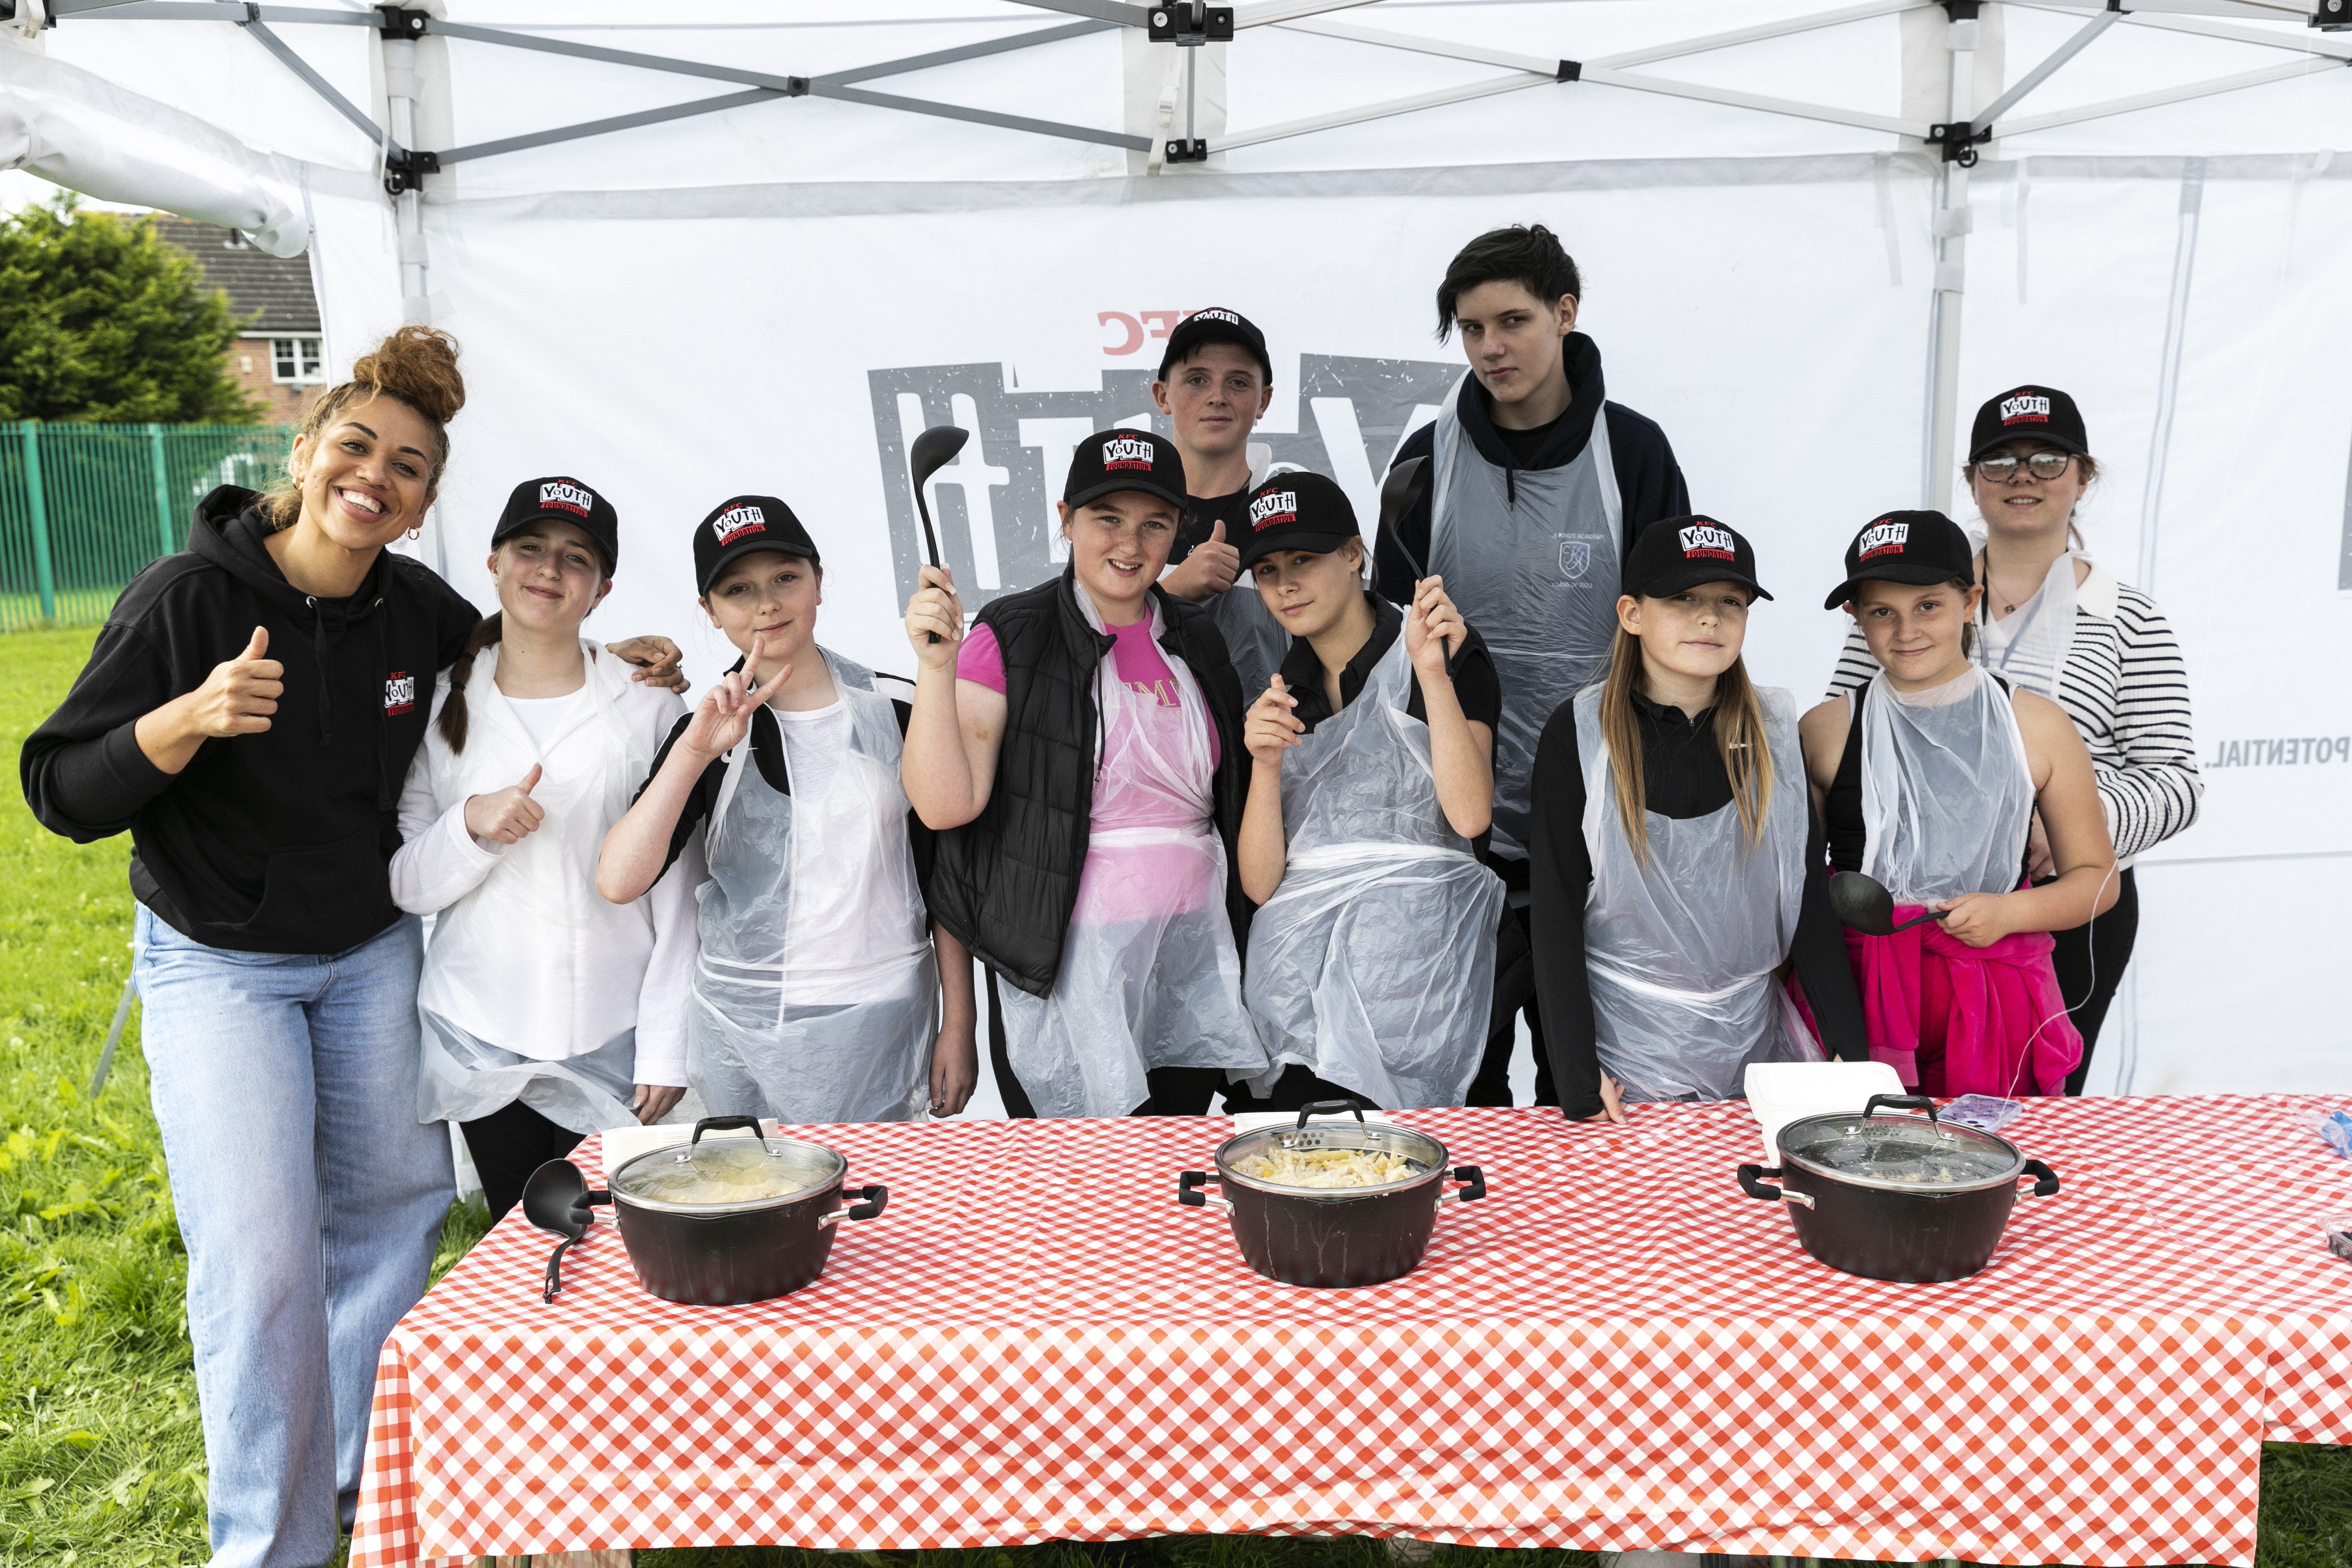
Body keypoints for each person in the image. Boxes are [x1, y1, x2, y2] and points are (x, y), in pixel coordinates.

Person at [15, 327, 685, 1568]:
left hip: (370, 955)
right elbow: (56, 789)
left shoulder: (417, 612)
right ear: (307, 448)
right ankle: (269, 1546)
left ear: (430, 502)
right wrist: (183, 720)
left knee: (393, 1213)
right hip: (219, 967)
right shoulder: (191, 599)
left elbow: (525, 653)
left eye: (412, 466)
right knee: (262, 1262)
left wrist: (633, 662)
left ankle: (354, 1484)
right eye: (359, 446)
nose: (377, 476)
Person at [1375, 223, 1693, 1110]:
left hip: (1597, 822)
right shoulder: (1426, 459)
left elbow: (1680, 641)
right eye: (1472, 330)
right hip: (1454, 829)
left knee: (1587, 1094)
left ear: (1566, 313)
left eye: (1512, 321)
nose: (1491, 348)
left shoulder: (1634, 452)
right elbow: (1384, 654)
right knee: (1456, 1088)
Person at [1824, 386, 2201, 1094]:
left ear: (2084, 477)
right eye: (1999, 463)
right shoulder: (1911, 586)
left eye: (2047, 459)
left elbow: (2177, 780)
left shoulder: (2131, 618)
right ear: (1972, 481)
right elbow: (1851, 728)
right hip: (1907, 917)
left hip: (2057, 900)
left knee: (2028, 1111)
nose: (2022, 475)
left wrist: (2065, 820)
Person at [902, 427, 1265, 1118]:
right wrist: (936, 667)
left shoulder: (1198, 638)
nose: (1130, 546)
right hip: (1063, 972)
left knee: (1174, 1173)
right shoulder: (1010, 634)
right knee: (1078, 1191)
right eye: (1107, 520)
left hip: (1186, 961)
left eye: (1154, 524)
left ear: (1177, 532)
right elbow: (945, 808)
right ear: (1065, 519)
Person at [598, 495, 978, 1126]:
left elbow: (946, 874)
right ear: (709, 612)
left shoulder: (898, 706)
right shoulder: (711, 729)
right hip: (743, 1032)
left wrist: (958, 1025)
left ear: (819, 582)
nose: (767, 603)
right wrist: (694, 750)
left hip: (883, 1018)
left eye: (785, 578)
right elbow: (619, 878)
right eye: (739, 589)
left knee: (875, 1216)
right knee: (762, 1209)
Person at [389, 477, 692, 1223]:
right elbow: (405, 882)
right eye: (530, 548)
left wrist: (663, 1046)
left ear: (604, 587)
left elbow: (682, 892)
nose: (549, 570)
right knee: (520, 1252)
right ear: (494, 563)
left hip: (614, 1037)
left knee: (627, 1252)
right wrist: (472, 826)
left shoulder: (650, 702)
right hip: (482, 1035)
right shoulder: (437, 707)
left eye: (576, 558)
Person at [1528, 518, 1866, 1122]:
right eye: (1684, 599)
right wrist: (1577, 1072)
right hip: (1619, 1061)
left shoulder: (1773, 735)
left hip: (1755, 1057)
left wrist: (1849, 1053)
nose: (1709, 618)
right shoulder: (1580, 736)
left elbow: (1808, 902)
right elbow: (1554, 914)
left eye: (1729, 602)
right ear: (1632, 613)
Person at [1801, 510, 2119, 1099]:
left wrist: (2008, 915)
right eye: (1881, 612)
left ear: (1970, 601)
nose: (1906, 631)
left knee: (1980, 1170)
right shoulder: (1824, 731)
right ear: (1856, 618)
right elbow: (1791, 889)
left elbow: (2098, 880)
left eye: (1929, 606)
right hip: (1857, 997)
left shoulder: (2038, 725)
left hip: (1993, 1005)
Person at [1233, 472, 1505, 1109]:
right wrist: (1264, 766)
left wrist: (1433, 675)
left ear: (1354, 554)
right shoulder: (1279, 694)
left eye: (1305, 559)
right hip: (1300, 995)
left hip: (1428, 983)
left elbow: (1468, 816)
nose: (1287, 584)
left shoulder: (1442, 649)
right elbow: (1260, 885)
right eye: (1268, 570)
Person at [1151, 307, 1292, 700]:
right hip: (1140, 758)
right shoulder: (1122, 514)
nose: (1217, 397)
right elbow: (1082, 645)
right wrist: (1172, 593)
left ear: (1263, 401)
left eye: (1239, 383)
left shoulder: (1292, 514)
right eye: (1197, 380)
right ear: (1163, 395)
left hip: (1270, 754)